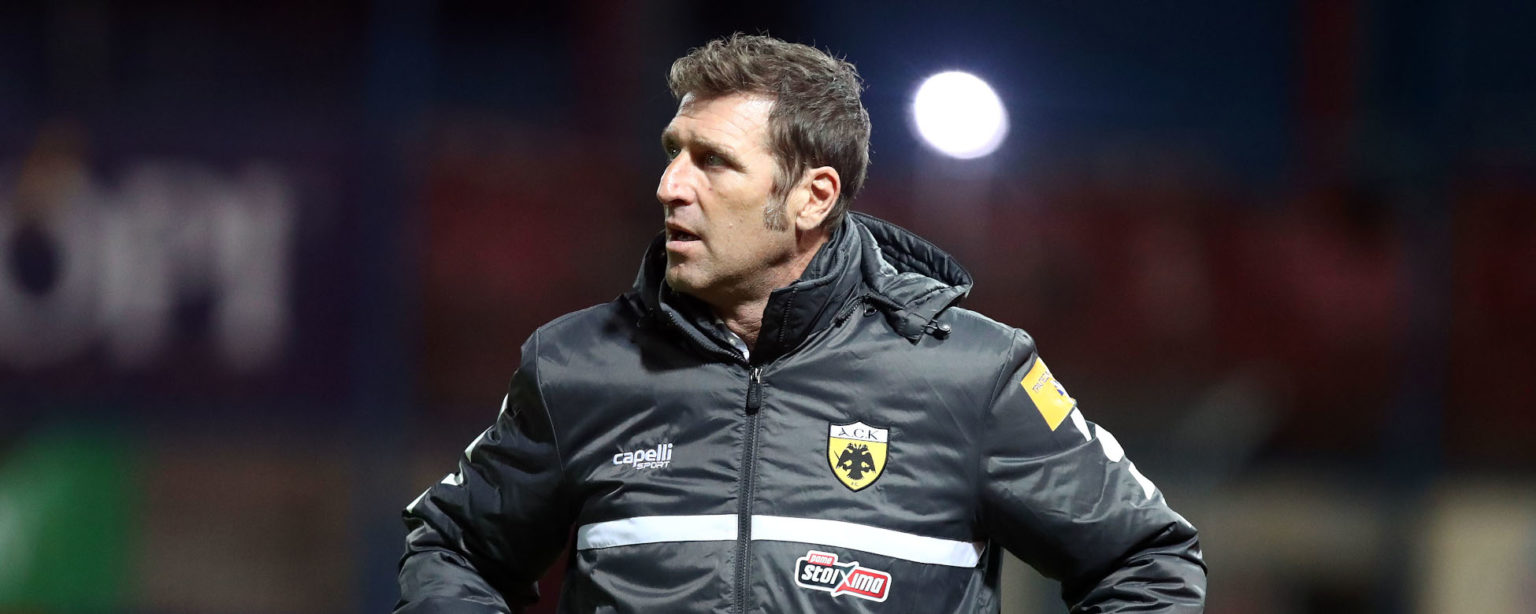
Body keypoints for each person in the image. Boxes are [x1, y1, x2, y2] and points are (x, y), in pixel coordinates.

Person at [396, 34, 1206, 613]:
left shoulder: (972, 373)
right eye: (674, 151)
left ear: (812, 197)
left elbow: (1147, 561)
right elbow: (452, 550)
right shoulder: (575, 366)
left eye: (713, 161)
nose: (671, 185)